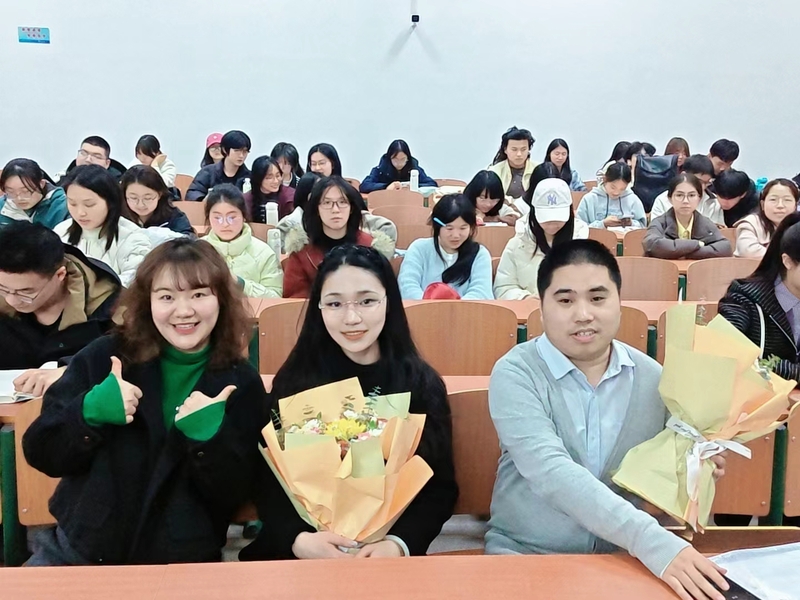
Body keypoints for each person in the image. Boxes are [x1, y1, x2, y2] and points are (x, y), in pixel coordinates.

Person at [486, 239, 731, 600]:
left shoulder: (654, 379)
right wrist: (655, 544)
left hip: (624, 559)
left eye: (598, 298)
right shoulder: (516, 373)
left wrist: (696, 467)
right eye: (565, 301)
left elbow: (661, 487)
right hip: (526, 555)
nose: (583, 314)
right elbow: (550, 472)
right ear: (542, 306)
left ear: (619, 301)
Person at [22, 238, 267, 566]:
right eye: (166, 297)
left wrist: (209, 442)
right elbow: (41, 451)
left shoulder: (241, 382)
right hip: (81, 547)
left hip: (184, 558)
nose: (184, 311)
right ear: (147, 302)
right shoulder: (106, 357)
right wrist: (88, 412)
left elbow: (238, 494)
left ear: (221, 299)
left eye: (199, 295)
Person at [240, 244, 457, 560]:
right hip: (301, 552)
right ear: (319, 308)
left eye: (367, 301)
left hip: (385, 558)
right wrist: (298, 539)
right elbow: (267, 477)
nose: (351, 317)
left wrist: (398, 544)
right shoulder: (295, 381)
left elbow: (440, 487)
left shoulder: (420, 384)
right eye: (334, 303)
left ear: (389, 302)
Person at [0, 222, 120, 394]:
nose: (12, 300)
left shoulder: (110, 306)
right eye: (3, 289)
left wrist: (72, 371)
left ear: (60, 275)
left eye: (26, 292)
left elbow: (134, 355)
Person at [720, 212, 800, 384]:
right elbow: (729, 353)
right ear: (788, 261)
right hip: (755, 397)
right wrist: (794, 372)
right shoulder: (743, 298)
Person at [283, 176, 393, 298]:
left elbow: (383, 296)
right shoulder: (301, 252)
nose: (335, 210)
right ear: (317, 209)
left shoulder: (371, 248)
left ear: (351, 208)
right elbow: (295, 302)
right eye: (327, 203)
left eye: (342, 202)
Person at [54, 165, 152, 287]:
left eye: (89, 204)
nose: (80, 213)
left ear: (110, 202)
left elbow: (133, 284)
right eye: (72, 203)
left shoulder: (133, 238)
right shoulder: (60, 232)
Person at [494, 179, 589, 300]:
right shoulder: (518, 243)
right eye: (546, 219)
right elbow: (503, 287)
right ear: (534, 212)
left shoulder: (582, 244)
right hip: (529, 310)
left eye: (558, 219)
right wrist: (524, 298)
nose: (552, 224)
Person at [398, 194, 493, 300]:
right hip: (422, 308)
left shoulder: (479, 254)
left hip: (466, 310)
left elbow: (481, 292)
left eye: (463, 228)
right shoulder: (419, 249)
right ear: (437, 226)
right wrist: (430, 305)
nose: (456, 235)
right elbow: (407, 287)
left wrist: (452, 307)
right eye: (449, 228)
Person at [204, 185, 283, 298]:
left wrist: (241, 284)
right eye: (218, 218)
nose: (225, 224)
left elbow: (275, 297)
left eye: (232, 218)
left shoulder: (264, 252)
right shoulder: (198, 251)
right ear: (209, 218)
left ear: (243, 216)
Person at [643, 173, 732, 259]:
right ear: (670, 198)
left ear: (699, 198)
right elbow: (652, 244)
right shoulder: (659, 222)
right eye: (679, 195)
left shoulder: (705, 223)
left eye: (691, 195)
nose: (685, 201)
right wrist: (697, 244)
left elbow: (725, 248)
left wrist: (685, 253)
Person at [120, 165, 194, 243]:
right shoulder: (118, 216)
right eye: (133, 198)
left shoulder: (173, 216)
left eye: (147, 198)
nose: (140, 204)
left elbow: (189, 242)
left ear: (160, 194)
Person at [734, 179, 799, 258]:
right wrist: (786, 259)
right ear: (762, 204)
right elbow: (747, 250)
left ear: (795, 205)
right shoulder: (751, 223)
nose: (780, 205)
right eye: (773, 200)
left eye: (787, 200)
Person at [649, 155, 722, 225]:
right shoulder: (662, 200)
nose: (702, 187)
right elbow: (655, 229)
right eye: (699, 181)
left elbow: (720, 230)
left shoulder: (714, 202)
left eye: (707, 183)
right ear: (683, 174)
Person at [0, 158, 68, 228]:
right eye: (11, 192)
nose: (19, 198)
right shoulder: (2, 205)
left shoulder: (64, 205)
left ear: (41, 184)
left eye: (25, 191)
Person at [576, 163, 646, 231]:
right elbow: (579, 229)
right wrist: (603, 224)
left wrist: (631, 223)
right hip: (595, 238)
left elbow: (643, 227)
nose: (616, 192)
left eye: (622, 189)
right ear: (605, 180)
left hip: (625, 238)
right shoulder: (590, 199)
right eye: (613, 187)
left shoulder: (633, 199)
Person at [186, 130, 252, 201]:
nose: (241, 155)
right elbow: (192, 193)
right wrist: (203, 199)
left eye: (245, 151)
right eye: (237, 151)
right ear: (224, 150)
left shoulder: (250, 176)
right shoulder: (208, 172)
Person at [359, 139, 437, 193]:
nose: (399, 163)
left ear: (408, 158)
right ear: (389, 158)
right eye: (395, 159)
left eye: (402, 159)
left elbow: (432, 184)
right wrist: (386, 186)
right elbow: (364, 186)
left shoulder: (414, 169)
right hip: (386, 203)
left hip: (409, 203)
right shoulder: (380, 170)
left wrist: (413, 186)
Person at [489, 127, 536, 200]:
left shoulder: (538, 169)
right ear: (505, 150)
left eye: (523, 149)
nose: (519, 154)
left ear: (529, 149)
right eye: (514, 149)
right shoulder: (494, 171)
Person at [244, 156, 296, 222]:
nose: (276, 181)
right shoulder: (246, 200)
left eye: (278, 175)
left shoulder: (290, 197)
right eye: (269, 177)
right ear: (258, 178)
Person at [57, 136, 127, 183]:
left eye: (96, 156)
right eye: (83, 153)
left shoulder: (119, 187)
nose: (88, 160)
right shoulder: (62, 181)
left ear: (107, 163)